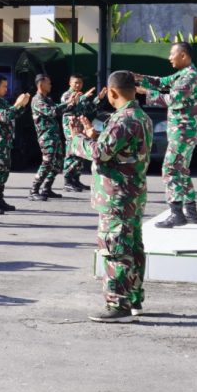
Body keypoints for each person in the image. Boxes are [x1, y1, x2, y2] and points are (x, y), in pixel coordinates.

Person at [69, 71, 152, 323]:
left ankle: (118, 304)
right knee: (133, 248)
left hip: (117, 196)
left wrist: (77, 140)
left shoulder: (123, 119)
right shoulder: (141, 116)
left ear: (113, 92)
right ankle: (133, 299)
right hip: (133, 194)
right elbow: (118, 148)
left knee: (114, 248)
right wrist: (94, 134)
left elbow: (102, 153)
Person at [138, 42, 197, 228]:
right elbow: (163, 82)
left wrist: (146, 92)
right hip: (184, 132)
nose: (169, 58)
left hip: (183, 131)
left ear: (183, 55)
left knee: (170, 169)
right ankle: (192, 213)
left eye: (172, 54)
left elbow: (171, 99)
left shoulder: (189, 77)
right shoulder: (184, 74)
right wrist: (139, 78)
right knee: (181, 171)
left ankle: (177, 214)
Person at [0, 75, 31, 215]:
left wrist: (22, 105)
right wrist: (17, 104)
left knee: (4, 169)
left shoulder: (0, 100)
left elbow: (12, 114)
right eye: (4, 86)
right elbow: (4, 116)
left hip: (5, 140)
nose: (6, 88)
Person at [28, 74, 81, 202]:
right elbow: (52, 111)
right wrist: (68, 102)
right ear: (41, 85)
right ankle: (34, 190)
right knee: (47, 162)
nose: (50, 85)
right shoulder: (37, 100)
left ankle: (47, 188)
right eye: (48, 83)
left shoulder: (47, 99)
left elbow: (60, 110)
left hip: (54, 136)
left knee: (57, 163)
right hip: (46, 136)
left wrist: (73, 102)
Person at [60, 73, 101, 192]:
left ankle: (75, 179)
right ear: (70, 83)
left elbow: (89, 108)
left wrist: (99, 98)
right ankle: (67, 181)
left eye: (80, 83)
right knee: (72, 151)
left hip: (80, 125)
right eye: (75, 82)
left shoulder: (81, 95)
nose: (78, 85)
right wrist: (82, 98)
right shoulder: (67, 95)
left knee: (81, 151)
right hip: (71, 126)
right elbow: (68, 106)